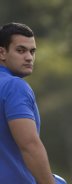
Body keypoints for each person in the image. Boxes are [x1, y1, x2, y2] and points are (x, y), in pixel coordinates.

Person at [0, 22, 56, 184]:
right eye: (21, 50)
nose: (29, 57)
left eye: (32, 51)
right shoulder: (14, 86)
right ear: (2, 52)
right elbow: (30, 146)